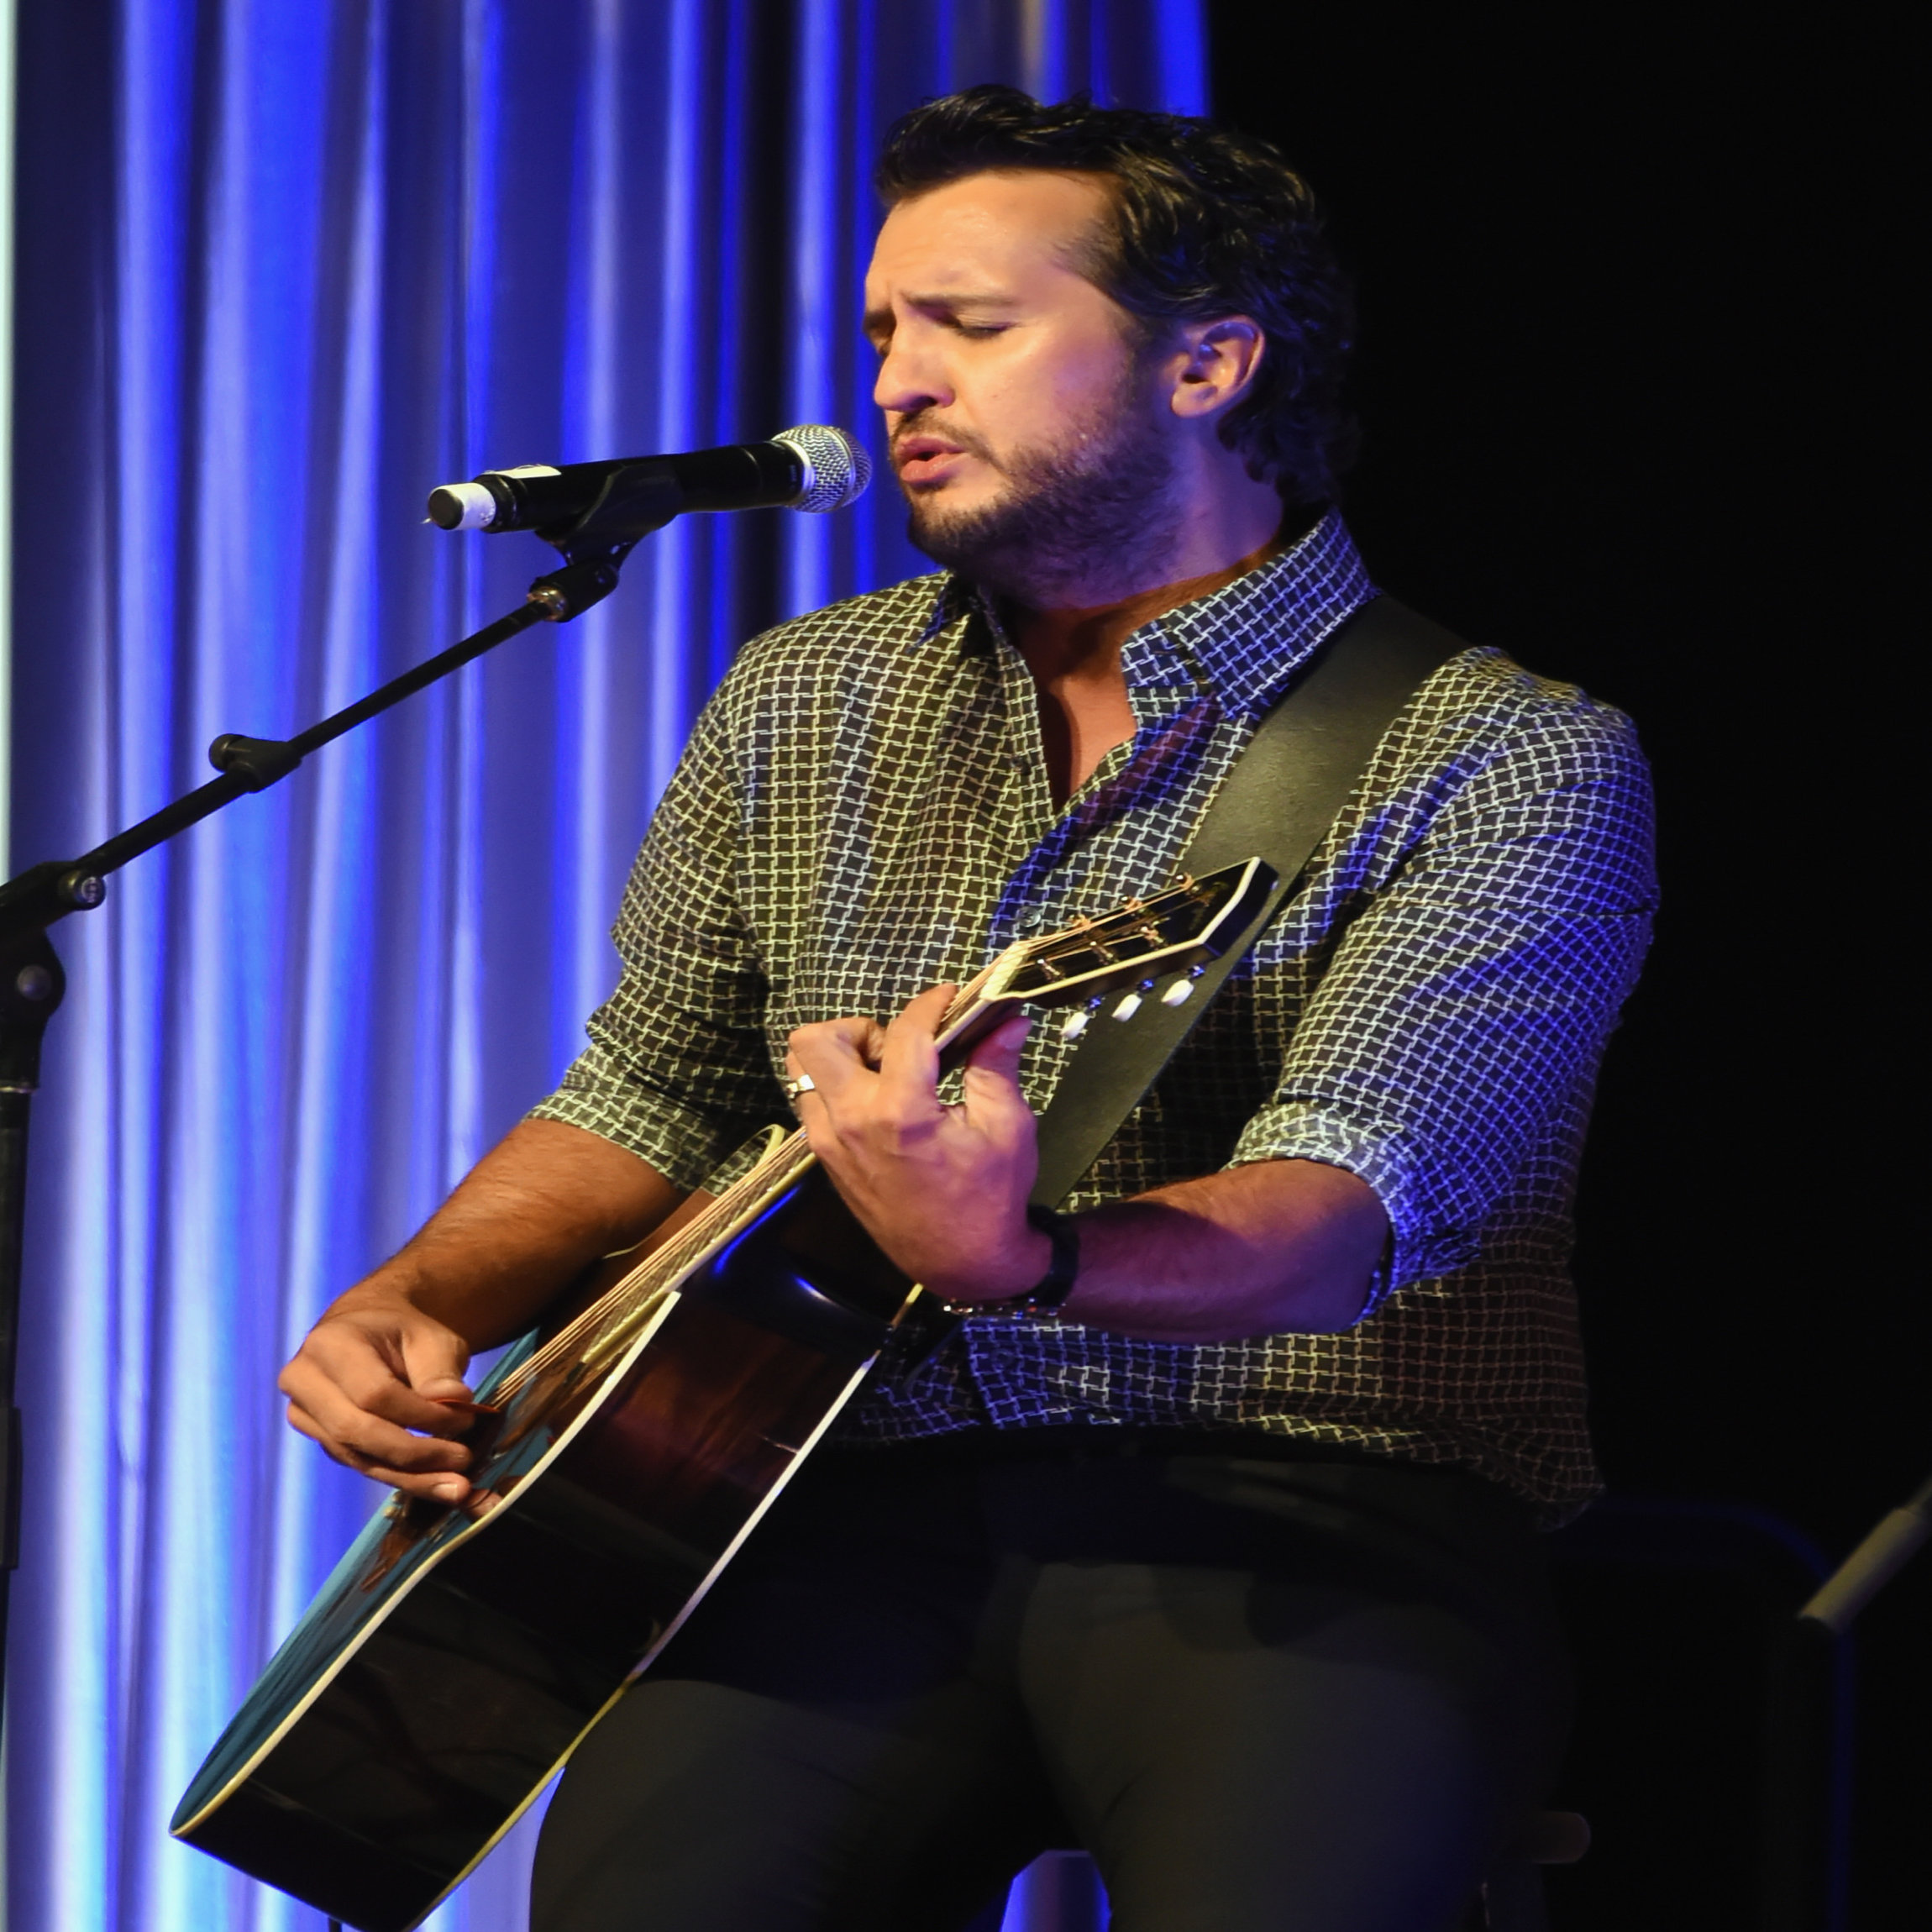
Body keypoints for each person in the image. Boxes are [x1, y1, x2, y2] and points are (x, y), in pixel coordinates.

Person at [278, 87, 1656, 1931]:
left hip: (1314, 1506)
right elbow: (646, 1090)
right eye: (884, 333)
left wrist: (1025, 1256)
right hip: (826, 1499)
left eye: (974, 327)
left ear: (1208, 365)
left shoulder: (1501, 752)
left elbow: (1340, 1217)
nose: (899, 382)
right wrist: (418, 1300)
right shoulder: (804, 697)